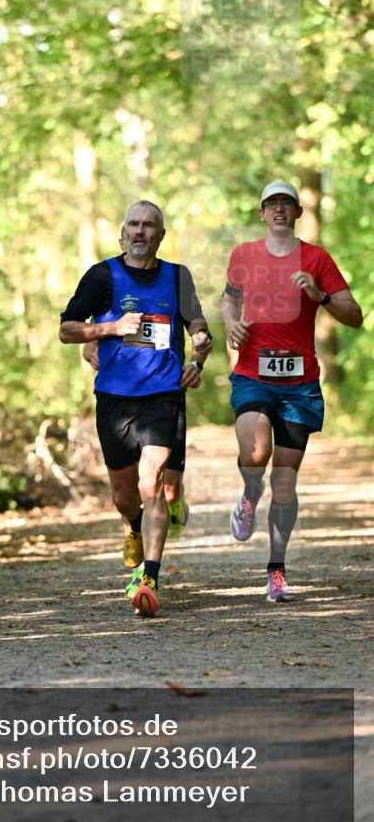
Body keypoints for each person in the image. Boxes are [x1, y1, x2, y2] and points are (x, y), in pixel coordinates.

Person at [59, 200, 212, 617]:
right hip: (114, 399)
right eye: (134, 225)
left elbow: (198, 326)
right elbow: (67, 329)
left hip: (163, 395)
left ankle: (149, 576)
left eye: (149, 226)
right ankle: (131, 527)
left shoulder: (178, 277)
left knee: (153, 483)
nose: (141, 232)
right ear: (122, 234)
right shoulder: (101, 276)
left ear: (161, 236)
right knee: (125, 496)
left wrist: (197, 354)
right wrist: (108, 328)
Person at [221, 180, 363, 602]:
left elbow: (353, 315)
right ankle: (249, 494)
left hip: (299, 383)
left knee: (284, 483)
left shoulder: (317, 258)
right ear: (262, 213)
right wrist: (230, 322)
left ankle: (276, 570)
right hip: (252, 372)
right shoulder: (244, 255)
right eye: (272, 204)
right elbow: (229, 300)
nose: (279, 209)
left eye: (287, 203)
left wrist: (320, 297)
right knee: (257, 453)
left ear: (298, 212)